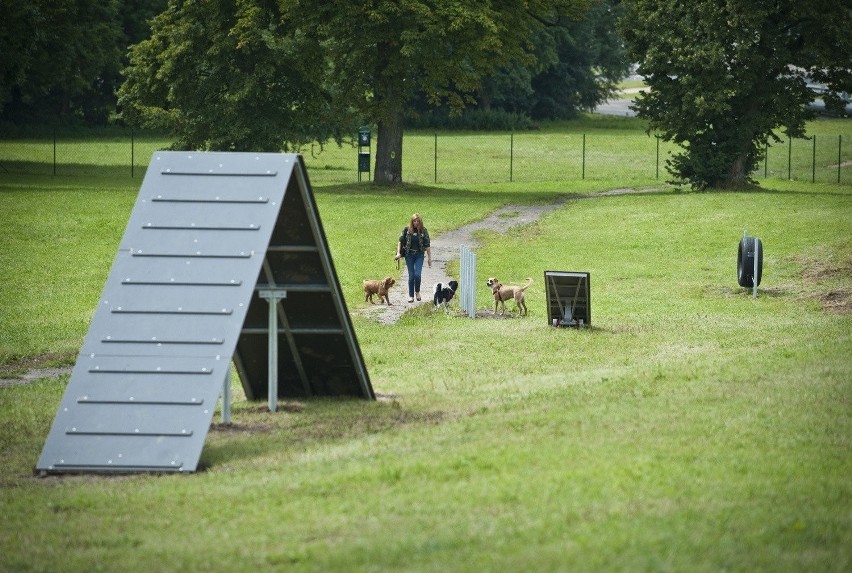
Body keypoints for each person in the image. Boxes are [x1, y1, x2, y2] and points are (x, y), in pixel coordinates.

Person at [395, 213, 432, 302]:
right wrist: (398, 253)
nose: (416, 223)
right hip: (409, 255)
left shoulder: (423, 231)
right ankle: (411, 296)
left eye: (418, 221)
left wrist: (429, 258)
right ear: (412, 221)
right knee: (411, 276)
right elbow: (400, 241)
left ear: (420, 222)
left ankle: (417, 292)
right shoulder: (407, 230)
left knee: (417, 275)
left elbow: (427, 245)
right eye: (414, 221)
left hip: (419, 255)